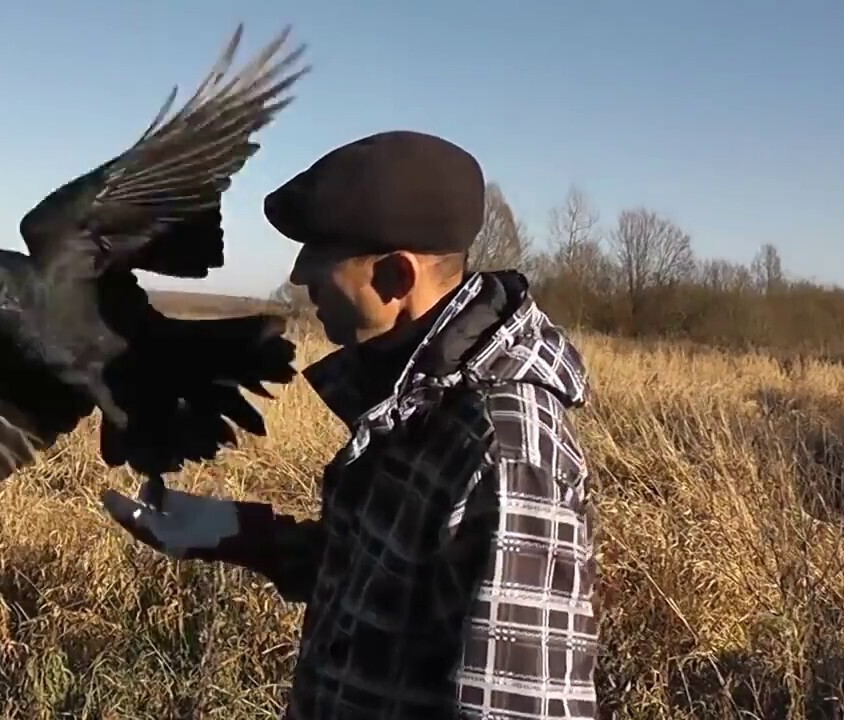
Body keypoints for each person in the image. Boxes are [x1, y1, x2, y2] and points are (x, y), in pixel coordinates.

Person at [101, 130, 599, 720]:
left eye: (319, 254)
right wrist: (241, 536)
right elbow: (383, 589)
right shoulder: (417, 398)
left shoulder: (504, 453)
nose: (299, 276)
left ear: (395, 278)